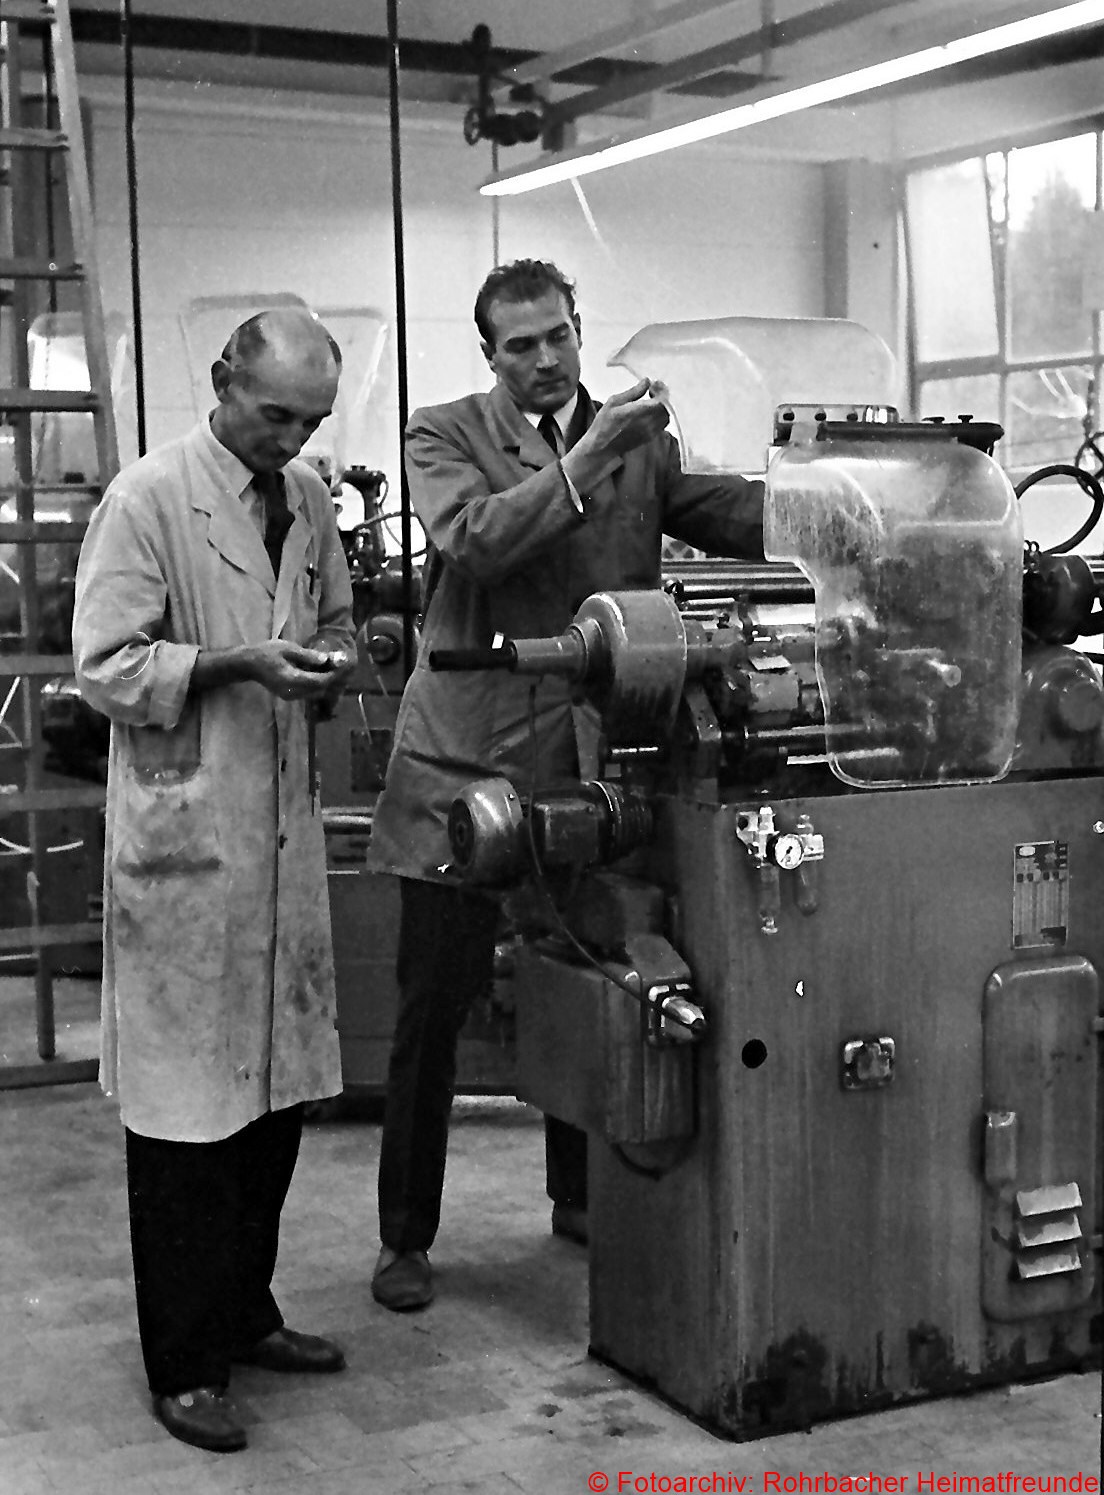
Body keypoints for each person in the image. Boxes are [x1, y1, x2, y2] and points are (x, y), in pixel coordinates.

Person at [367, 259, 765, 1313]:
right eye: (520, 346)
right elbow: (476, 542)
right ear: (488, 354)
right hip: (467, 764)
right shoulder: (443, 434)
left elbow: (720, 510)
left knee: (586, 977)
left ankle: (579, 1195)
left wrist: (851, 500)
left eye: (558, 336)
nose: (544, 360)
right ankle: (405, 1236)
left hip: (591, 760)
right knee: (433, 1007)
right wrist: (589, 456)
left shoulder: (641, 440)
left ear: (581, 328)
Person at [71, 306, 357, 1454]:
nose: (292, 439)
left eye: (310, 422)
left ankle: (246, 1312)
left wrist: (339, 659)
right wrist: (238, 663)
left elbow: (336, 617)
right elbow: (104, 666)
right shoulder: (148, 498)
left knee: (273, 1104)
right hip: (187, 844)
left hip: (279, 841)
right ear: (221, 382)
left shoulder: (311, 500)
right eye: (275, 414)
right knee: (187, 1126)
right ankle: (184, 1364)